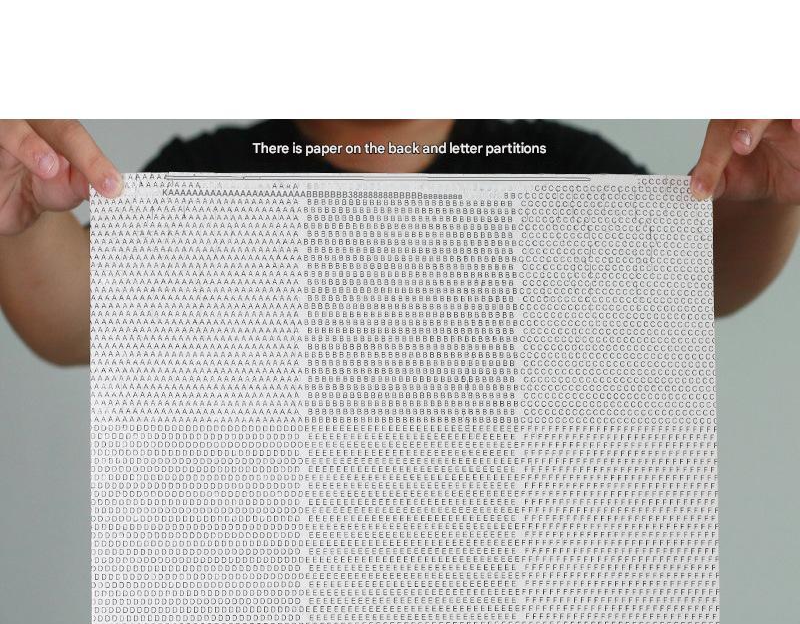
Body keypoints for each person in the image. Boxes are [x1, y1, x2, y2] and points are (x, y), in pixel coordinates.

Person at [0, 118, 799, 366]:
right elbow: (80, 324)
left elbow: (696, 285)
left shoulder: (560, 166)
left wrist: (768, 196)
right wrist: (25, 212)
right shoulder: (211, 174)